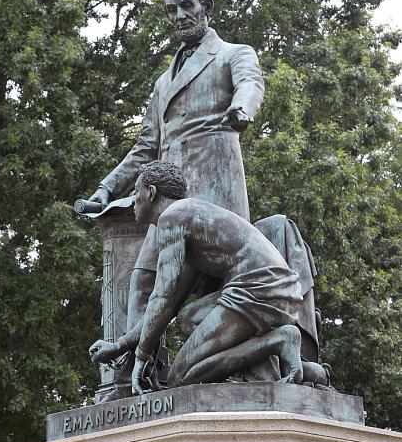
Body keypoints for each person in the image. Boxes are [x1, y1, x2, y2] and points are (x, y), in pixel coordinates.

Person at [87, 0, 265, 393]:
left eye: (187, 5)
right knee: (144, 279)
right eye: (171, 10)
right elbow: (145, 145)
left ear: (205, 7)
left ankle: (240, 366)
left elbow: (251, 84)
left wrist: (242, 109)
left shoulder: (232, 54)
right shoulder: (163, 81)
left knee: (210, 285)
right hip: (169, 199)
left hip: (215, 191)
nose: (179, 15)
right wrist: (107, 188)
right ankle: (137, 377)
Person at [90, 161, 304, 393]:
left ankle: (280, 340)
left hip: (259, 289)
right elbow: (170, 303)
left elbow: (161, 297)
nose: (133, 201)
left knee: (180, 379)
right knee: (188, 318)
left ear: (151, 193)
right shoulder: (189, 216)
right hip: (273, 287)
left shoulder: (172, 218)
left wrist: (142, 356)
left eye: (136, 192)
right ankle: (296, 364)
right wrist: (120, 346)